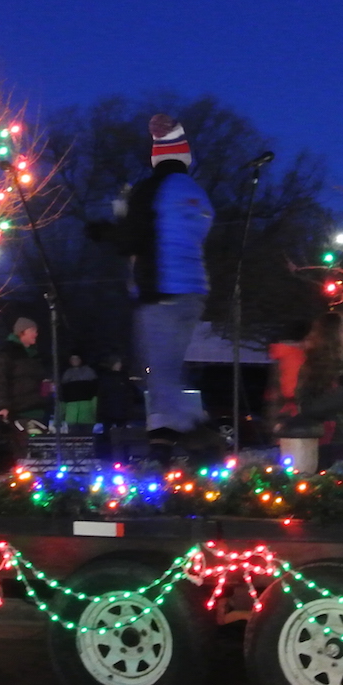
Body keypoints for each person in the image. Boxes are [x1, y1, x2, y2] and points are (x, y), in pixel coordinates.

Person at [117, 114, 215, 446]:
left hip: (160, 288)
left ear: (156, 157)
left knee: (158, 369)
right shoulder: (196, 193)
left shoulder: (149, 190)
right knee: (167, 366)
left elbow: (132, 239)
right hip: (194, 289)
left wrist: (117, 222)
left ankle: (191, 427)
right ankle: (162, 430)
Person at [269, 313, 343, 466]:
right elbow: (312, 402)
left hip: (342, 441)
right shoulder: (316, 365)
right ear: (335, 335)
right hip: (341, 441)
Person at [0, 317, 52, 457]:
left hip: (38, 409)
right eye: (33, 331)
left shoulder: (35, 355)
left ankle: (38, 476)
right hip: (20, 410)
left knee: (39, 450)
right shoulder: (7, 353)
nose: (36, 334)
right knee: (24, 450)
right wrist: (2, 406)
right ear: (22, 332)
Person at [59, 354, 98, 428]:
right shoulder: (67, 373)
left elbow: (94, 394)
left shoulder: (89, 372)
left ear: (81, 360)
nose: (74, 361)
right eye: (72, 359)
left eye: (77, 358)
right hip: (72, 414)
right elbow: (63, 397)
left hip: (86, 413)